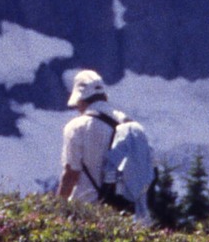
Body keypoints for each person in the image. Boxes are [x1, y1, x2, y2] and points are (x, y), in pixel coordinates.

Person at [57, 69, 154, 220]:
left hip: (85, 211)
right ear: (104, 97)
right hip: (121, 211)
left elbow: (71, 174)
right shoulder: (126, 122)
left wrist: (57, 210)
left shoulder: (76, 127)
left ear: (81, 99)